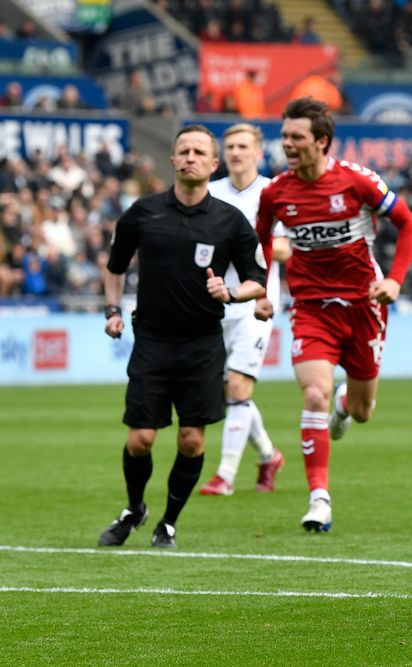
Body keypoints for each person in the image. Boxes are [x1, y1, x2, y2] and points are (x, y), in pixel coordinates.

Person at [255, 97, 412, 532]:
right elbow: (261, 243)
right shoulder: (276, 192)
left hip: (366, 305)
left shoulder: (358, 182)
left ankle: (345, 406)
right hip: (311, 308)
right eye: (284, 136)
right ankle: (319, 499)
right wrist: (263, 290)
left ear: (322, 141)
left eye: (296, 137)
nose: (287, 144)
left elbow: (410, 225)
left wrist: (396, 281)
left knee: (363, 410)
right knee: (313, 394)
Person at [99, 125, 266, 549]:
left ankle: (168, 523)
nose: (190, 157)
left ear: (213, 165)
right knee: (141, 439)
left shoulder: (229, 221)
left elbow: (256, 280)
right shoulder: (143, 212)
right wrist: (113, 310)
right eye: (183, 151)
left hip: (202, 343)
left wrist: (229, 293)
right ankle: (135, 508)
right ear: (172, 161)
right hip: (152, 338)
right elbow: (115, 265)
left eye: (199, 152)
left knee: (191, 441)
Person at [199, 123, 290, 497]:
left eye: (242, 146)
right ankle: (269, 455)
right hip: (216, 301)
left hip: (256, 303)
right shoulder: (211, 192)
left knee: (237, 386)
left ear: (257, 152)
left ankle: (225, 475)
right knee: (228, 393)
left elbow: (284, 248)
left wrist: (241, 242)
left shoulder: (275, 192)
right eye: (230, 146)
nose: (236, 152)